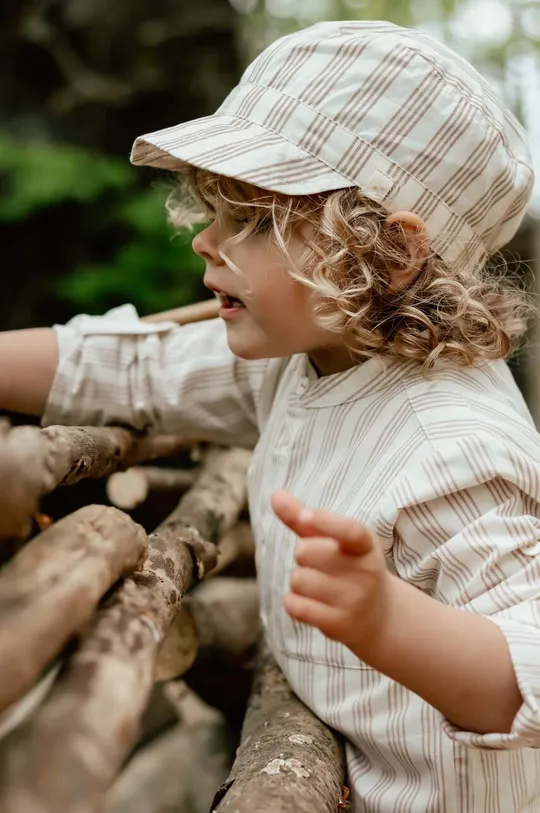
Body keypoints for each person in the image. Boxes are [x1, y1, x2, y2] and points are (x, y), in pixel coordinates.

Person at [2, 19, 540, 813]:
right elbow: (130, 366)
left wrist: (388, 618)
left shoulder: (452, 447)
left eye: (252, 219)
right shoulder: (306, 353)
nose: (207, 242)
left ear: (388, 255)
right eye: (213, 209)